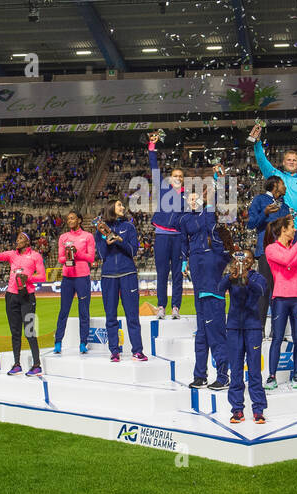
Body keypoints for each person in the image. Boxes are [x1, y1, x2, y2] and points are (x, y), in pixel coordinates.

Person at [168, 186, 232, 390]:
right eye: (190, 198)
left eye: (196, 198)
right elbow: (183, 244)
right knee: (202, 328)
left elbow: (216, 218)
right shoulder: (184, 220)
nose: (193, 201)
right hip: (196, 264)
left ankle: (223, 375)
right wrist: (185, 262)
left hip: (212, 262)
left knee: (215, 327)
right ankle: (200, 374)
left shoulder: (210, 213)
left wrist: (215, 184)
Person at [0, 230, 46, 375]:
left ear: (27, 242)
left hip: (27, 297)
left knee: (29, 332)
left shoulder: (35, 256)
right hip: (11, 296)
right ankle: (17, 364)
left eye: (21, 238)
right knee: (15, 332)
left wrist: (26, 278)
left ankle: (37, 365)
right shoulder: (11, 254)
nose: (18, 240)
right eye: (17, 238)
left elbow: (42, 277)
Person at [217, 251, 268, 423]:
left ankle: (258, 409)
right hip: (233, 328)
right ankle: (237, 409)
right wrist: (230, 277)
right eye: (240, 258)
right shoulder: (231, 275)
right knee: (236, 371)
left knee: (254, 371)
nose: (243, 261)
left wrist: (247, 278)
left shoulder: (257, 277)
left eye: (247, 259)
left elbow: (261, 290)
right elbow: (218, 289)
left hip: (252, 327)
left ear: (252, 262)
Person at [264, 214, 297, 389]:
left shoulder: (296, 247)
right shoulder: (271, 249)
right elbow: (286, 260)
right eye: (292, 227)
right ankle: (271, 376)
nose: (295, 229)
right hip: (280, 299)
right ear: (283, 230)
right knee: (277, 338)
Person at [95, 200, 148, 362]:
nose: (123, 207)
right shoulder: (100, 230)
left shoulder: (129, 227)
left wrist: (120, 240)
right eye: (119, 205)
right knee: (110, 316)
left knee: (132, 315)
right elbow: (102, 255)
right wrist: (106, 241)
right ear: (111, 208)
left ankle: (137, 351)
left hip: (128, 274)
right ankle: (114, 351)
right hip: (108, 276)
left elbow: (133, 251)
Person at [250, 123, 297, 231]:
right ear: (283, 163)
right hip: (279, 231)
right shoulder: (276, 176)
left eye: (294, 160)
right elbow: (262, 162)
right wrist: (257, 143)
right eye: (289, 160)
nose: (291, 162)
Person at [147, 133, 186, 320]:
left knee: (177, 274)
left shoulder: (188, 197)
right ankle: (161, 306)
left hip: (178, 237)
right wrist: (152, 147)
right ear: (170, 179)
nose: (177, 178)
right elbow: (154, 169)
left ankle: (176, 307)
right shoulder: (163, 188)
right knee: (162, 273)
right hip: (162, 234)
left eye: (180, 176)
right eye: (175, 176)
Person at [246, 176, 290, 337]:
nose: (285, 187)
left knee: (280, 292)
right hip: (266, 251)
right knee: (264, 291)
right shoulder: (260, 200)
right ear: (275, 185)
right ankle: (260, 328)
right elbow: (250, 223)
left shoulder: (284, 205)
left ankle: (277, 330)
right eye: (283, 184)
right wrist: (264, 213)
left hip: (283, 253)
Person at [54, 211, 95, 354]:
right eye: (68, 218)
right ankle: (58, 341)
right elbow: (60, 259)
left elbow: (91, 257)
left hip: (82, 277)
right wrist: (67, 255)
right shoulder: (63, 237)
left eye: (72, 218)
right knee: (63, 311)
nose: (69, 220)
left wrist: (77, 253)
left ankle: (83, 342)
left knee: (83, 311)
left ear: (79, 220)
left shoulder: (88, 236)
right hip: (67, 277)